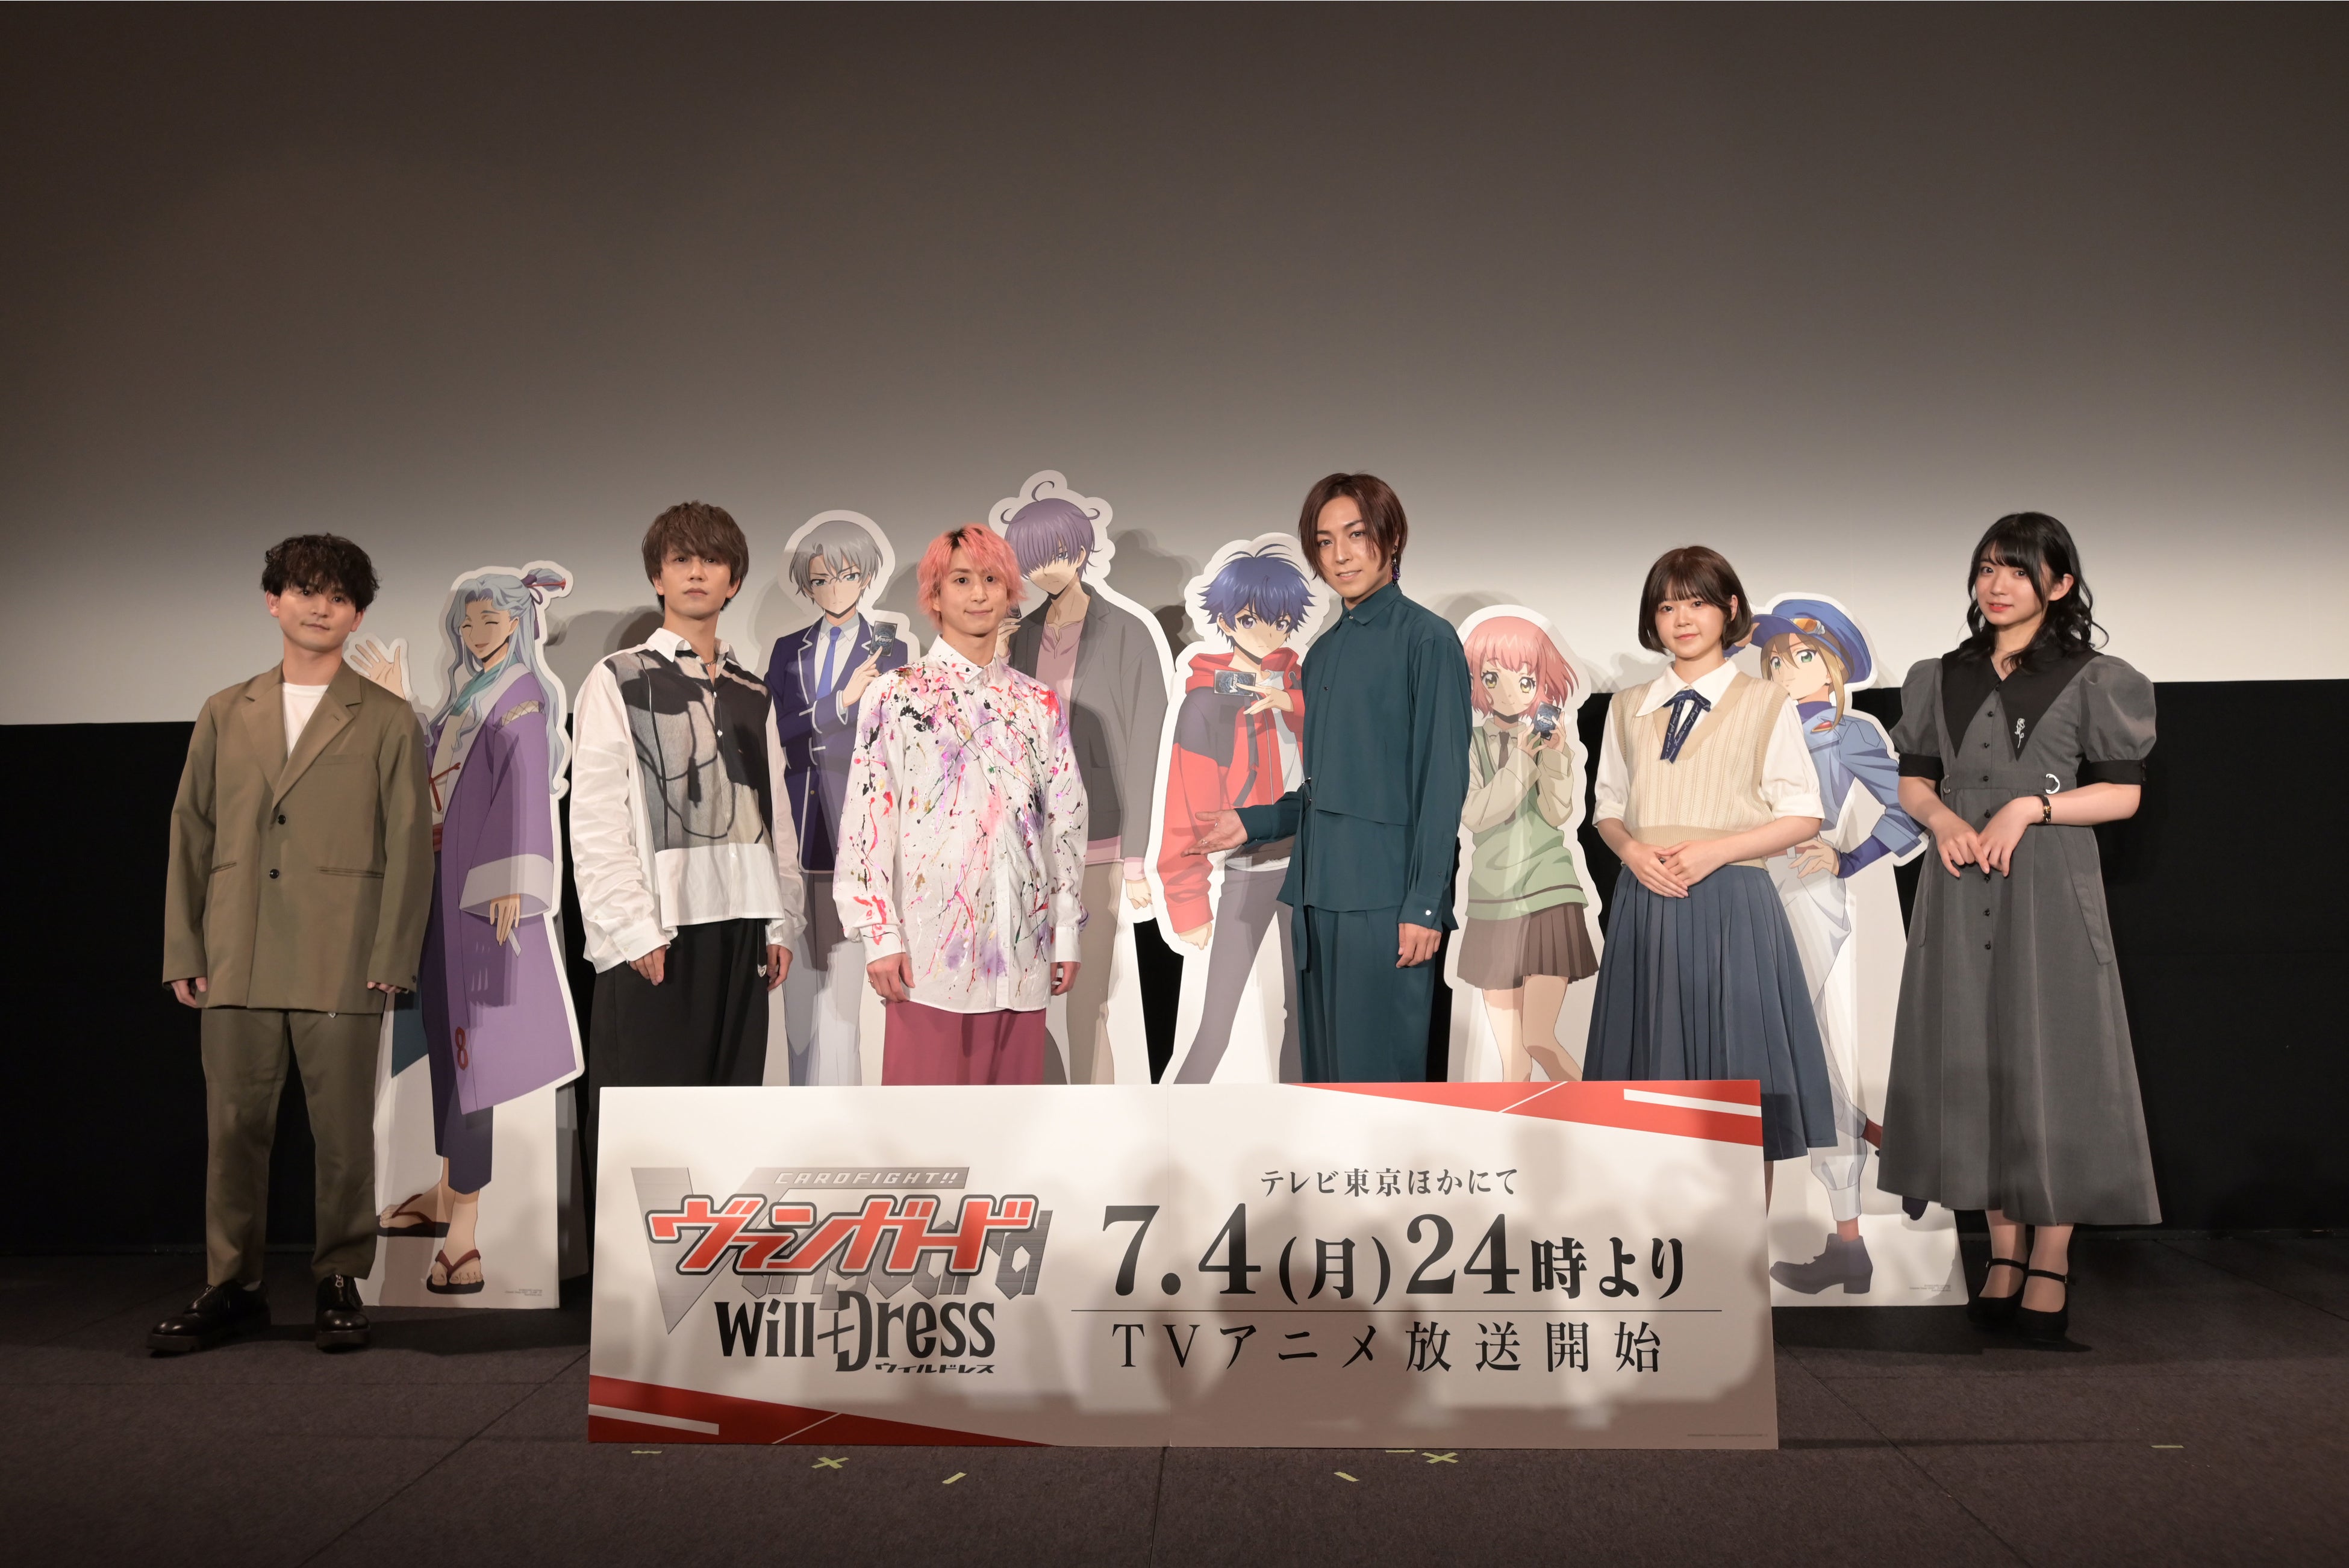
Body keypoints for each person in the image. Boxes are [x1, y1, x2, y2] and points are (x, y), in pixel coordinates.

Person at [1880, 512, 2156, 1346]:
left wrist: (2031, 807)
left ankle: (2053, 1259)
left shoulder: (2096, 677)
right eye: (1987, 568)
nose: (1997, 585)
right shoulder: (1941, 676)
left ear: (2060, 585)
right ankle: (2003, 1254)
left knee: (2054, 1064)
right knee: (1975, 1065)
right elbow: (1915, 781)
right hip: (1959, 879)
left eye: (2018, 570)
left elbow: (2122, 793)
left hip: (2048, 886)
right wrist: (1942, 821)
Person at [153, 535, 433, 1354]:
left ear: (358, 615)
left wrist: (393, 955)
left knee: (341, 1134)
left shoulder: (386, 717)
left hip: (341, 951)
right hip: (235, 948)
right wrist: (184, 948)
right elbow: (190, 830)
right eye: (306, 590)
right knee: (233, 1129)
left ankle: (339, 1277)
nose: (321, 607)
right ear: (273, 600)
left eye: (339, 596)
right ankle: (232, 1286)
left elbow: (409, 842)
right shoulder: (225, 710)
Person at [1187, 474, 1471, 1083]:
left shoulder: (1428, 640)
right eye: (1324, 541)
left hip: (1386, 901)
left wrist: (1425, 904)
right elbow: (1327, 789)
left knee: (1381, 1085)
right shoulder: (1322, 652)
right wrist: (1253, 822)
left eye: (1356, 535)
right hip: (1318, 897)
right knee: (1325, 1083)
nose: (1340, 555)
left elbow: (1442, 783)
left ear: (1392, 538)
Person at [1582, 547, 1836, 1180]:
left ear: (1729, 609)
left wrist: (1716, 851)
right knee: (1650, 1084)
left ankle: (1741, 1243)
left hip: (1733, 907)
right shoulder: (1627, 706)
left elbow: (1804, 815)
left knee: (1742, 1086)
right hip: (1648, 904)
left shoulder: (1765, 702)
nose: (1682, 619)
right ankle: (1666, 1237)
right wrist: (1632, 852)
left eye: (1696, 603)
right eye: (1667, 607)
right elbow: (1607, 808)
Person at [362, 566, 583, 1297]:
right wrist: (402, 704)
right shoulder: (469, 694)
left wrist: (511, 880)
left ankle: (464, 1227)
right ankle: (446, 1188)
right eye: (469, 621)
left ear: (518, 622)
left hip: (481, 901)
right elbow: (432, 777)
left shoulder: (520, 694)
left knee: (474, 1057)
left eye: (491, 620)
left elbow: (524, 788)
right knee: (441, 1041)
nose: (477, 632)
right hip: (439, 886)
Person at [570, 503, 803, 1186]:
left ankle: (713, 1253)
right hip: (659, 933)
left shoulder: (752, 691)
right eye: (681, 560)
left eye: (712, 560)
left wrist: (780, 920)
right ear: (658, 577)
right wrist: (632, 927)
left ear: (734, 580)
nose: (697, 572)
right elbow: (596, 818)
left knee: (725, 1126)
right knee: (644, 1130)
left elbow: (775, 813)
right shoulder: (618, 677)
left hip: (744, 929)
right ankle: (629, 1261)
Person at [837, 524, 1087, 1084]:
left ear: (1010, 592)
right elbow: (866, 824)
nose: (979, 594)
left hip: (1023, 960)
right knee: (923, 1132)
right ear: (935, 594)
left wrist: (1066, 929)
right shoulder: (896, 695)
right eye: (962, 580)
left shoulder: (1038, 703)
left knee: (1015, 1129)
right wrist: (879, 934)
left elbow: (1066, 824)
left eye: (992, 580)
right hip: (930, 963)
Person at [1744, 600, 1927, 1295]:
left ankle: (1852, 1232)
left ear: (1834, 669)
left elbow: (1910, 806)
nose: (1785, 670)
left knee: (1804, 1050)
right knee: (1804, 1052)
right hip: (1747, 892)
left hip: (1806, 894)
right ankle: (1887, 1159)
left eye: (1802, 657)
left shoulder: (1848, 731)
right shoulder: (1751, 724)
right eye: (1774, 659)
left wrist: (1850, 859)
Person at [1002, 489, 1168, 1083]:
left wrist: (1137, 854)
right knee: (1024, 996)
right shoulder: (1020, 635)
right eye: (1031, 559)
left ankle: (1094, 1113)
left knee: (1087, 995)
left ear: (1079, 551)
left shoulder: (1126, 632)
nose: (1044, 569)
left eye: (1055, 553)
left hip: (1099, 839)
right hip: (1027, 843)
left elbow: (1146, 746)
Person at [1156, 547, 1315, 1083]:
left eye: (1279, 619)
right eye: (1250, 618)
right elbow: (1188, 807)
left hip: (1310, 870)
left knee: (1304, 1018)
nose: (1267, 631)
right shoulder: (1205, 704)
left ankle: (1300, 1116)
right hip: (1246, 871)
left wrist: (1293, 705)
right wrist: (1187, 898)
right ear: (1224, 621)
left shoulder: (1306, 689)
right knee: (1215, 1025)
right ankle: (1175, 1123)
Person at [764, 515, 909, 1085]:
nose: (834, 589)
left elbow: (892, 740)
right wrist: (839, 704)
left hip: (861, 837)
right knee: (799, 1001)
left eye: (847, 576)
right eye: (821, 579)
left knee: (851, 1007)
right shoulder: (787, 651)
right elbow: (777, 731)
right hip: (799, 831)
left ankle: (848, 1110)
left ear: (867, 577)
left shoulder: (892, 651)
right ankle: (802, 1104)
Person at [1456, 614, 1597, 1084]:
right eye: (1491, 677)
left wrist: (1553, 756)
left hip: (1548, 891)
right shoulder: (1469, 743)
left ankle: (1590, 1119)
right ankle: (1518, 1132)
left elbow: (1558, 813)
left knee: (1539, 1038)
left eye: (1525, 680)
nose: (1508, 693)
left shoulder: (1549, 742)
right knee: (1513, 1064)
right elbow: (1476, 814)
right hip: (1492, 898)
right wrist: (1523, 758)